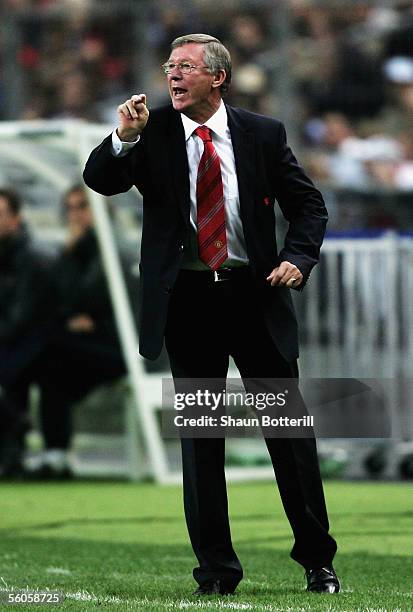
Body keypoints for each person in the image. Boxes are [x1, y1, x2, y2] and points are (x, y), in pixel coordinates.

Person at [83, 33, 339, 596]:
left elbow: (308, 206)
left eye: (186, 68)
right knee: (203, 442)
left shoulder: (262, 134)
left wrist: (298, 258)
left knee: (288, 436)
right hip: (191, 303)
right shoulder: (150, 132)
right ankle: (217, 573)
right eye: (170, 66)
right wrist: (122, 139)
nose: (173, 76)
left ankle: (318, 561)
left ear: (217, 77)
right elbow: (99, 179)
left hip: (254, 295)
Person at [30, 185, 127, 479]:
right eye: (70, 208)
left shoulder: (113, 247)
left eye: (82, 207)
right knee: (51, 370)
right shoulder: (75, 250)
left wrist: (70, 256)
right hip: (85, 345)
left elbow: (86, 297)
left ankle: (11, 388)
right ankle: (56, 454)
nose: (75, 215)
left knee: (45, 344)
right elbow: (61, 302)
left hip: (122, 349)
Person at [0, 188, 55, 477]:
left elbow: (22, 318)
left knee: (196, 392)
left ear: (16, 219)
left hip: (37, 344)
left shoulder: (32, 258)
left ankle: (17, 435)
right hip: (18, 343)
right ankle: (13, 444)